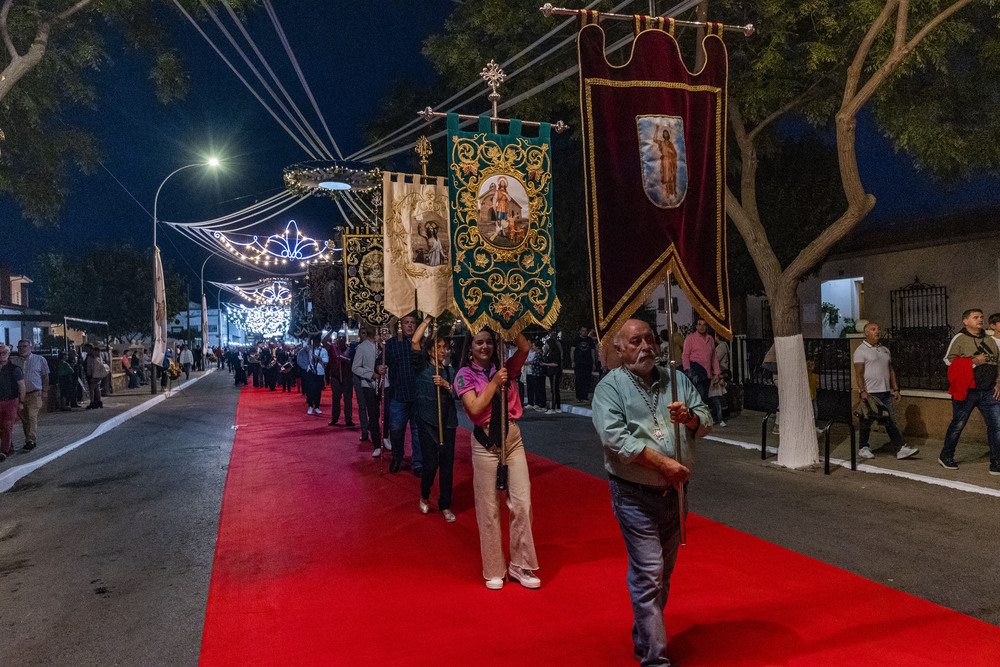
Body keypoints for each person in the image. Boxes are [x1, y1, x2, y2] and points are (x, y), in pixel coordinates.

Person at [591, 319, 711, 667]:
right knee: (649, 573)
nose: (645, 346)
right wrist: (663, 465)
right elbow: (616, 441)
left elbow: (705, 420)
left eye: (649, 339)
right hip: (634, 496)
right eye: (635, 341)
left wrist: (689, 417)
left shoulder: (677, 381)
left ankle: (644, 641)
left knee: (662, 577)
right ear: (619, 349)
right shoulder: (610, 388)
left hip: (675, 495)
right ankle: (656, 660)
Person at [454, 327, 539, 590]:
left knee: (522, 504)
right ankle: (494, 568)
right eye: (479, 342)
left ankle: (521, 564)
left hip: (513, 440)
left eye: (489, 342)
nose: (485, 347)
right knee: (489, 509)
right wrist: (493, 384)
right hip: (485, 444)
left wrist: (509, 322)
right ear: (471, 347)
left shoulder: (505, 367)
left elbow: (524, 348)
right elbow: (475, 407)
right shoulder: (463, 375)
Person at [938, 308, 1000, 473]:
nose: (980, 319)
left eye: (981, 317)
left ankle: (996, 463)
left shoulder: (990, 339)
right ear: (966, 321)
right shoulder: (960, 338)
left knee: (997, 426)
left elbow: (997, 363)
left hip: (988, 390)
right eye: (975, 317)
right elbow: (947, 361)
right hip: (968, 389)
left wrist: (998, 383)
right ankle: (946, 456)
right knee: (958, 424)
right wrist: (973, 362)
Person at [411, 316, 458, 522]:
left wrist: (446, 385)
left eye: (444, 347)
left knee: (447, 465)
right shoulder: (421, 367)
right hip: (427, 421)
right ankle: (424, 495)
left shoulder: (450, 370)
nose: (442, 351)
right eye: (438, 347)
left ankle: (445, 504)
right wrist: (428, 319)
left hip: (448, 423)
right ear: (430, 350)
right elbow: (414, 341)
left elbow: (458, 392)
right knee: (430, 464)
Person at [853, 322, 918, 460]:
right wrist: (863, 391)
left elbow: (890, 370)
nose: (877, 331)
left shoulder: (885, 350)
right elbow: (858, 373)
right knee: (866, 420)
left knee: (890, 420)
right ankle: (863, 447)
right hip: (870, 393)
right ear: (866, 333)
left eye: (878, 329)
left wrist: (895, 389)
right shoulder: (860, 351)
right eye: (873, 329)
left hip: (885, 392)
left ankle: (899, 449)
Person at [383, 314, 423, 476]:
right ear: (400, 325)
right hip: (398, 394)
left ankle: (418, 463)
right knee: (396, 429)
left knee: (417, 431)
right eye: (406, 322)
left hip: (418, 395)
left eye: (413, 323)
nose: (410, 326)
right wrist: (380, 367)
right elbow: (381, 361)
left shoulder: (421, 343)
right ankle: (397, 457)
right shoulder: (392, 344)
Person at [11, 339, 49, 451]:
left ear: (30, 347)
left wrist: (45, 391)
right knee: (25, 419)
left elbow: (45, 376)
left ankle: (31, 440)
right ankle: (28, 439)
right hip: (20, 395)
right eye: (19, 347)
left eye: (24, 346)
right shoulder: (14, 362)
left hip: (34, 393)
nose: (22, 349)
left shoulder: (40, 360)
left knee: (32, 416)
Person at [352, 326, 382, 450]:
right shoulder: (362, 347)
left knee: (387, 414)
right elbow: (355, 367)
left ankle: (386, 437)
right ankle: (376, 444)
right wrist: (370, 374)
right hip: (369, 385)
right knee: (373, 415)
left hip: (385, 384)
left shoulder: (384, 344)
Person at [681, 318, 720, 407]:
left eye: (704, 325)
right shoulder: (690, 338)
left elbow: (714, 357)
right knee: (700, 395)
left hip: (707, 374)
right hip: (696, 373)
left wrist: (717, 373)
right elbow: (685, 355)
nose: (702, 327)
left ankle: (702, 417)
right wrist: (687, 369)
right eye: (699, 324)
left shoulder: (710, 339)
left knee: (706, 397)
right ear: (696, 326)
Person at [0, 344, 26, 462]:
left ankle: (4, 450)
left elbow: (22, 386)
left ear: (8, 354)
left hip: (11, 401)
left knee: (7, 425)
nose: (1, 355)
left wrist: (21, 402)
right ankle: (9, 448)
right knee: (2, 427)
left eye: (4, 353)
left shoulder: (14, 369)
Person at [325, 334, 354, 427]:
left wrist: (344, 359)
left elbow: (353, 361)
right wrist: (332, 330)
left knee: (348, 399)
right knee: (336, 399)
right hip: (335, 377)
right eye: (339, 338)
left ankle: (348, 419)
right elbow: (323, 341)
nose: (341, 339)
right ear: (337, 339)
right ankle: (334, 418)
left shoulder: (350, 349)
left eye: (343, 338)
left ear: (345, 339)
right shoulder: (333, 348)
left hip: (347, 377)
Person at [297, 335, 327, 415]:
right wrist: (310, 336)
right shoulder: (309, 349)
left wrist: (318, 358)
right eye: (315, 341)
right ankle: (310, 405)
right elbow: (304, 346)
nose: (316, 343)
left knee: (318, 390)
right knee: (310, 389)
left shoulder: (323, 350)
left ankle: (317, 406)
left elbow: (325, 362)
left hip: (320, 372)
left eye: (317, 341)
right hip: (311, 371)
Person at [572, 325, 597, 403]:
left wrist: (593, 363)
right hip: (579, 363)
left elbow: (593, 351)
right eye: (583, 331)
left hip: (587, 363)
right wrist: (572, 361)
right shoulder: (576, 339)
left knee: (586, 380)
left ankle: (585, 397)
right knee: (579, 380)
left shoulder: (590, 340)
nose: (584, 332)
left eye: (586, 331)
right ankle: (578, 397)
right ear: (580, 331)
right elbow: (572, 351)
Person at [542, 331, 563, 414]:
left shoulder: (555, 352)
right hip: (550, 372)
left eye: (547, 344)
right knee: (553, 389)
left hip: (555, 372)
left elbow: (555, 363)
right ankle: (557, 407)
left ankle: (554, 408)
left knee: (554, 390)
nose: (546, 346)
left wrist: (546, 364)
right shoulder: (548, 352)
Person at [84, 344, 107, 409]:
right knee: (97, 389)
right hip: (98, 376)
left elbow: (91, 368)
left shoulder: (92, 358)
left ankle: (92, 402)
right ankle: (99, 402)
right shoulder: (99, 358)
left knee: (92, 390)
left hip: (93, 375)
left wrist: (90, 375)